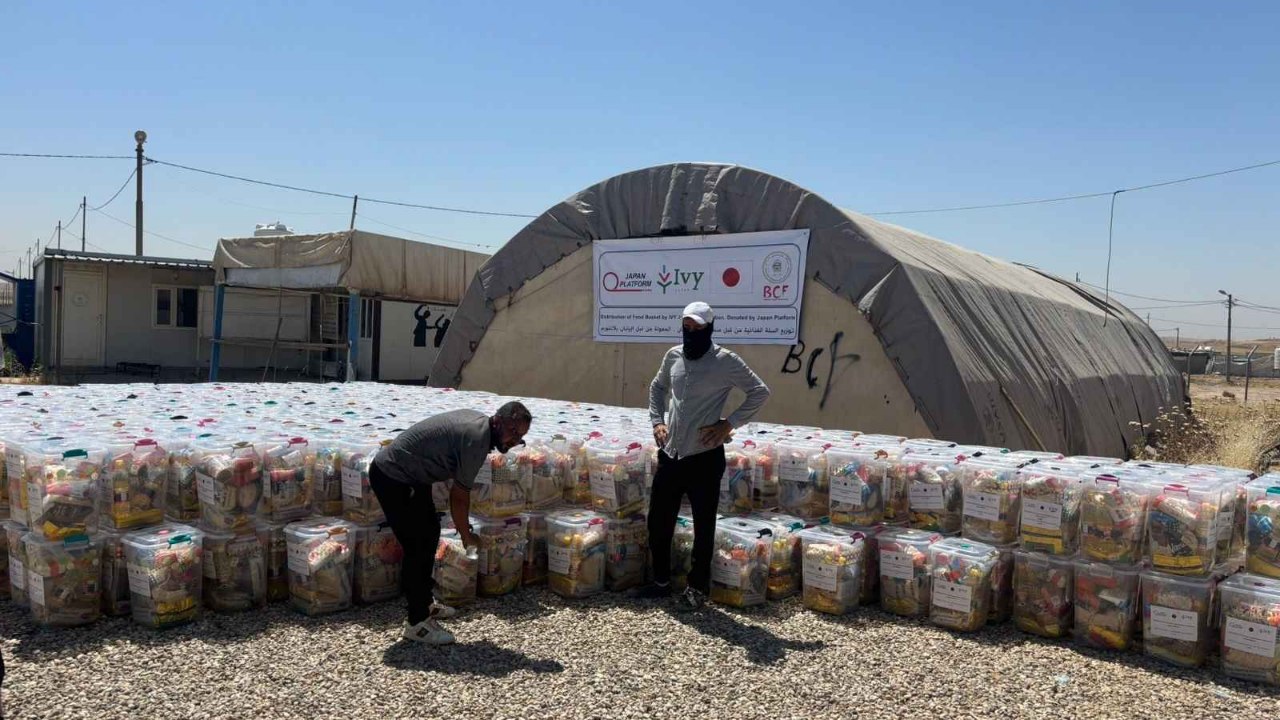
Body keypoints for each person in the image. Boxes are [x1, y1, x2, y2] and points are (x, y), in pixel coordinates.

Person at [631, 301, 771, 610]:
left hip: (704, 457)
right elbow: (657, 388)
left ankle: (696, 588)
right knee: (659, 521)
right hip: (671, 454)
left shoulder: (726, 361)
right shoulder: (673, 356)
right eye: (687, 328)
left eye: (698, 329)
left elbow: (759, 391)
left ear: (710, 329)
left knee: (703, 526)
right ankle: (661, 582)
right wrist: (657, 421)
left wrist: (728, 424)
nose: (691, 333)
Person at [370, 401, 532, 645]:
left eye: (520, 436)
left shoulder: (481, 427)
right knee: (417, 547)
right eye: (512, 431)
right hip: (393, 477)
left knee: (429, 532)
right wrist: (466, 535)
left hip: (414, 476)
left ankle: (425, 603)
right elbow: (459, 496)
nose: (514, 440)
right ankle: (417, 623)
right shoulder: (477, 440)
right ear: (498, 421)